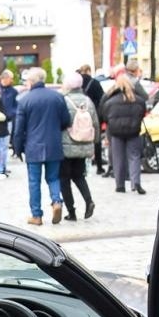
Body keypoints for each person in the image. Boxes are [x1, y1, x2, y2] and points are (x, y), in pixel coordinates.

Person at [9, 67, 72, 227]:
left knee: (34, 182)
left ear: (31, 82)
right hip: (54, 144)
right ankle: (56, 201)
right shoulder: (57, 97)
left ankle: (36, 215)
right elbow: (66, 120)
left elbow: (18, 129)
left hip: (33, 146)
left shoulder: (24, 100)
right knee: (53, 178)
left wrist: (18, 148)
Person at [98, 68, 148, 195]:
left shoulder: (110, 101)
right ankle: (135, 182)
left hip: (116, 132)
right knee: (134, 156)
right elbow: (142, 113)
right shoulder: (138, 100)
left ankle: (120, 185)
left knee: (118, 158)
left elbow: (104, 114)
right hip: (134, 131)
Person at [59, 73, 96, 222]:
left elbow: (61, 122)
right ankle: (89, 201)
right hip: (84, 144)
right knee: (79, 176)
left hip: (66, 146)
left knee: (64, 179)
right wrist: (94, 142)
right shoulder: (88, 101)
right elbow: (95, 122)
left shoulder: (64, 100)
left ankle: (71, 211)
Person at [79, 65, 108, 176]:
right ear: (88, 71)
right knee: (96, 140)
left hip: (80, 116)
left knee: (81, 139)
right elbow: (102, 99)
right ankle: (99, 166)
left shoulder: (77, 83)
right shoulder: (95, 83)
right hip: (94, 114)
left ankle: (82, 167)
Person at [0, 69, 19, 176]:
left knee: (5, 145)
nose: (11, 80)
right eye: (10, 78)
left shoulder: (13, 91)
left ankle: (3, 166)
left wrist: (11, 113)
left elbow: (16, 106)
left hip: (8, 120)